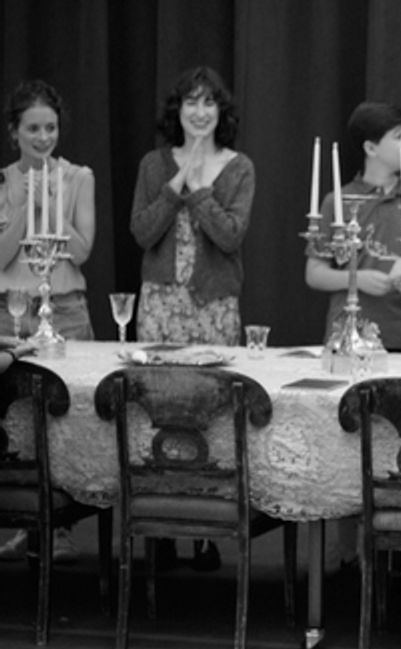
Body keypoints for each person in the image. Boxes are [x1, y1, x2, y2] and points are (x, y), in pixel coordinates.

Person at [129, 65, 254, 571]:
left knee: (208, 409)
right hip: (161, 303)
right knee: (158, 406)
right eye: (190, 103)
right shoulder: (154, 164)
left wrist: (200, 189)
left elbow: (230, 236)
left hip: (214, 306)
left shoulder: (239, 166)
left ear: (220, 112)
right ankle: (157, 528)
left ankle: (207, 528)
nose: (200, 112)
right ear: (176, 112)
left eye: (209, 103)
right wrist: (175, 184)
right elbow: (142, 231)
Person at [0, 79, 97, 564]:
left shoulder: (79, 177)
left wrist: (51, 199)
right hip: (12, 307)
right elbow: (0, 256)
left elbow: (80, 250)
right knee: (19, 422)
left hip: (66, 307)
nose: (43, 137)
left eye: (51, 128)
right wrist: (21, 200)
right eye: (33, 129)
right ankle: (23, 520)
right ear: (15, 132)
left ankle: (62, 527)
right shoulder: (2, 181)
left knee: (66, 421)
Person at [306, 101, 401, 353]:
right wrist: (357, 279)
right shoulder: (338, 200)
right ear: (371, 147)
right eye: (399, 136)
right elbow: (315, 272)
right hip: (346, 336)